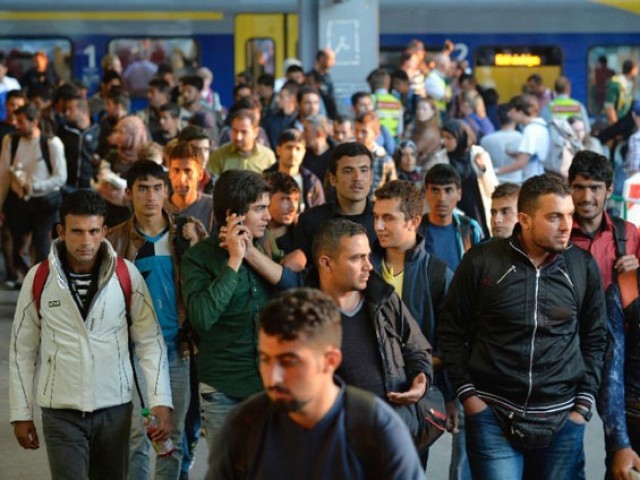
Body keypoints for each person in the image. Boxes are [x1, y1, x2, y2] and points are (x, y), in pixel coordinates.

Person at [438, 173, 607, 479]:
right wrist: (469, 396)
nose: (567, 225)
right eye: (554, 217)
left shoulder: (581, 266)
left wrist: (581, 407)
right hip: (492, 415)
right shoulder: (482, 262)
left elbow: (595, 338)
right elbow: (451, 331)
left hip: (562, 418)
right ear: (525, 220)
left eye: (569, 215)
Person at [9, 189, 172, 480]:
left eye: (94, 231)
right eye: (77, 231)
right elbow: (22, 350)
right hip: (59, 411)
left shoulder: (126, 275)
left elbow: (150, 341)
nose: (86, 241)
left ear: (105, 231)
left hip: (115, 409)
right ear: (61, 231)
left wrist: (160, 398)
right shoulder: (39, 278)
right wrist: (21, 412)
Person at [207, 288, 426, 480]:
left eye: (289, 362)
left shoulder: (377, 429)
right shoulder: (245, 425)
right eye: (265, 359)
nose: (274, 377)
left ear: (330, 361)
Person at [180, 169, 298, 455]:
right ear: (234, 215)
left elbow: (291, 289)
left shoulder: (265, 244)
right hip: (222, 389)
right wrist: (234, 260)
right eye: (259, 209)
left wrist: (251, 253)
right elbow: (202, 317)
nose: (268, 216)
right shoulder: (198, 258)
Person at [108, 160, 206, 479]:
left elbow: (204, 281)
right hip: (133, 350)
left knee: (172, 437)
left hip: (177, 348)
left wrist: (194, 243)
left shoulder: (186, 233)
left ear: (165, 191)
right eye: (142, 189)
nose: (150, 196)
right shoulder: (115, 242)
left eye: (156, 188)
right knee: (138, 435)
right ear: (129, 193)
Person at [310, 218, 434, 451]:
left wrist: (421, 378)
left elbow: (417, 348)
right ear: (326, 263)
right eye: (357, 258)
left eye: (367, 256)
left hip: (396, 436)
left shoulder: (383, 299)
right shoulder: (302, 315)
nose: (369, 265)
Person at [371, 180, 456, 451]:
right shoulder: (362, 266)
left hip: (413, 397)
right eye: (376, 217)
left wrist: (448, 395)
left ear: (413, 221)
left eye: (388, 218)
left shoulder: (438, 274)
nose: (378, 226)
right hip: (365, 394)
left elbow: (451, 342)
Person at [0, 103, 67, 276]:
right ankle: (25, 279)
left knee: (42, 244)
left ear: (34, 121)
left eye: (21, 121)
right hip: (19, 201)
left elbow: (61, 177)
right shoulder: (11, 141)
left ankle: (42, 282)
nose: (17, 125)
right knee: (18, 247)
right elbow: (3, 176)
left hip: (45, 201)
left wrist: (35, 186)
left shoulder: (51, 143)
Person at [569, 151, 640, 291]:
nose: (586, 198)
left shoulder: (629, 233)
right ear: (570, 187)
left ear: (609, 190)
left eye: (595, 188)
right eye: (579, 188)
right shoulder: (556, 233)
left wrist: (636, 273)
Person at [294, 142, 376, 262]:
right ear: (333, 179)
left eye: (363, 170)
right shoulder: (310, 221)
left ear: (371, 177)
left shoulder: (384, 220)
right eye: (348, 171)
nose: (357, 178)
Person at [418, 163, 484, 272]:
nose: (441, 198)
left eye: (448, 190)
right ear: (426, 193)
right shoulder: (414, 230)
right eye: (435, 190)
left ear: (459, 194)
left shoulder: (471, 229)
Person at [266, 128, 325, 211]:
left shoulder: (312, 182)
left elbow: (320, 213)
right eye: (288, 147)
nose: (293, 153)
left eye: (298, 148)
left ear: (304, 152)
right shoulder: (265, 179)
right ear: (278, 150)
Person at [207, 109, 276, 175]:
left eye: (244, 132)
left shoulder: (267, 156)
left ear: (255, 132)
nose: (238, 137)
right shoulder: (219, 155)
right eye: (235, 130)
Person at [164, 141, 214, 231]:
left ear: (200, 174)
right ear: (169, 173)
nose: (181, 179)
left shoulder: (212, 209)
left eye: (188, 171)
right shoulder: (158, 208)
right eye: (176, 170)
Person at [499, 94, 549, 181]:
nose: (508, 115)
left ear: (519, 111)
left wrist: (496, 171)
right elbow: (533, 156)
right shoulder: (541, 126)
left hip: (533, 179)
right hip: (540, 177)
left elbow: (521, 163)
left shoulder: (531, 130)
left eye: (511, 110)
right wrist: (517, 155)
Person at [58, 95, 100, 193]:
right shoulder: (63, 131)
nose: (66, 113)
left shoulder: (98, 132)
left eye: (70, 109)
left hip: (90, 188)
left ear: (83, 112)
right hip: (67, 187)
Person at [480, 104, 523, 185]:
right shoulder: (522, 138)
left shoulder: (485, 140)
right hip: (518, 182)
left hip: (493, 183)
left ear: (498, 118)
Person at [354, 111, 397, 194]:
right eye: (356, 130)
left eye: (364, 132)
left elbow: (394, 192)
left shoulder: (384, 160)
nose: (359, 135)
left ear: (376, 134)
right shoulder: (344, 155)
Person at [264, 171, 300, 254]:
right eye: (286, 199)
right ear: (267, 199)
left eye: (296, 199)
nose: (293, 207)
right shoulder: (251, 234)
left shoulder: (302, 236)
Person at [604, 60, 638, 126]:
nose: (637, 71)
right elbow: (609, 107)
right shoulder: (615, 84)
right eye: (636, 69)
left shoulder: (629, 84)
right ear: (632, 70)